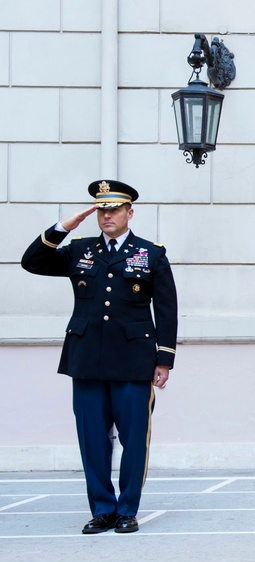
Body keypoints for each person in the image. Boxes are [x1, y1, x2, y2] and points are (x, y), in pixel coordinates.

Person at [20, 180, 177, 535]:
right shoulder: (79, 249)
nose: (107, 215)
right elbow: (32, 261)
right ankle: (102, 509)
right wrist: (66, 226)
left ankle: (127, 510)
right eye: (102, 209)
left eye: (115, 209)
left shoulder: (150, 253)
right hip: (87, 358)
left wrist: (164, 359)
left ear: (129, 213)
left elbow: (166, 309)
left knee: (134, 439)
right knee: (92, 438)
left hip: (133, 361)